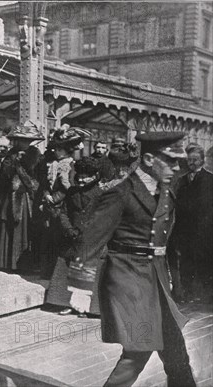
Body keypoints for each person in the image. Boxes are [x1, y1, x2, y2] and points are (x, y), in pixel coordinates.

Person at [67, 132, 196, 386]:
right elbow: (90, 238)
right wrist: (80, 286)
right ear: (148, 159)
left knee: (175, 348)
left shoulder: (166, 192)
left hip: (156, 280)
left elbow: (166, 243)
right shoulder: (121, 193)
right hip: (128, 280)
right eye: (170, 161)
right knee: (139, 350)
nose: (176, 168)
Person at [46, 157, 104, 317]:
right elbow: (64, 212)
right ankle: (67, 303)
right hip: (72, 237)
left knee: (90, 272)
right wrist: (69, 229)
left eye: (87, 176)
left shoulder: (102, 194)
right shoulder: (72, 192)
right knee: (69, 269)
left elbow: (107, 217)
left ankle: (86, 307)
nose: (83, 179)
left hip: (94, 239)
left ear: (96, 176)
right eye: (80, 176)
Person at [0, 122, 43, 271]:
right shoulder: (10, 155)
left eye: (27, 141)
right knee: (10, 226)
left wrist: (22, 164)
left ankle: (26, 263)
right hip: (10, 196)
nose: (24, 143)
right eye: (21, 140)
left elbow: (36, 175)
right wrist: (14, 162)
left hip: (28, 196)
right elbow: (5, 175)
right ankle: (7, 262)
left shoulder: (35, 154)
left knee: (27, 228)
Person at [34, 124, 87, 279]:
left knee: (58, 240)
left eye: (58, 149)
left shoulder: (69, 164)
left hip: (61, 206)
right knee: (47, 239)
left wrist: (54, 199)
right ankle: (45, 271)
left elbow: (67, 188)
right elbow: (45, 183)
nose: (56, 152)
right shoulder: (52, 163)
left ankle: (56, 274)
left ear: (65, 150)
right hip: (49, 205)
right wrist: (46, 196)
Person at [169, 143, 213, 303]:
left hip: (205, 232)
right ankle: (187, 294)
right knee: (186, 263)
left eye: (195, 159)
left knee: (204, 263)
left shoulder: (210, 180)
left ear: (202, 160)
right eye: (189, 160)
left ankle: (205, 297)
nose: (192, 163)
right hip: (185, 231)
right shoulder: (181, 181)